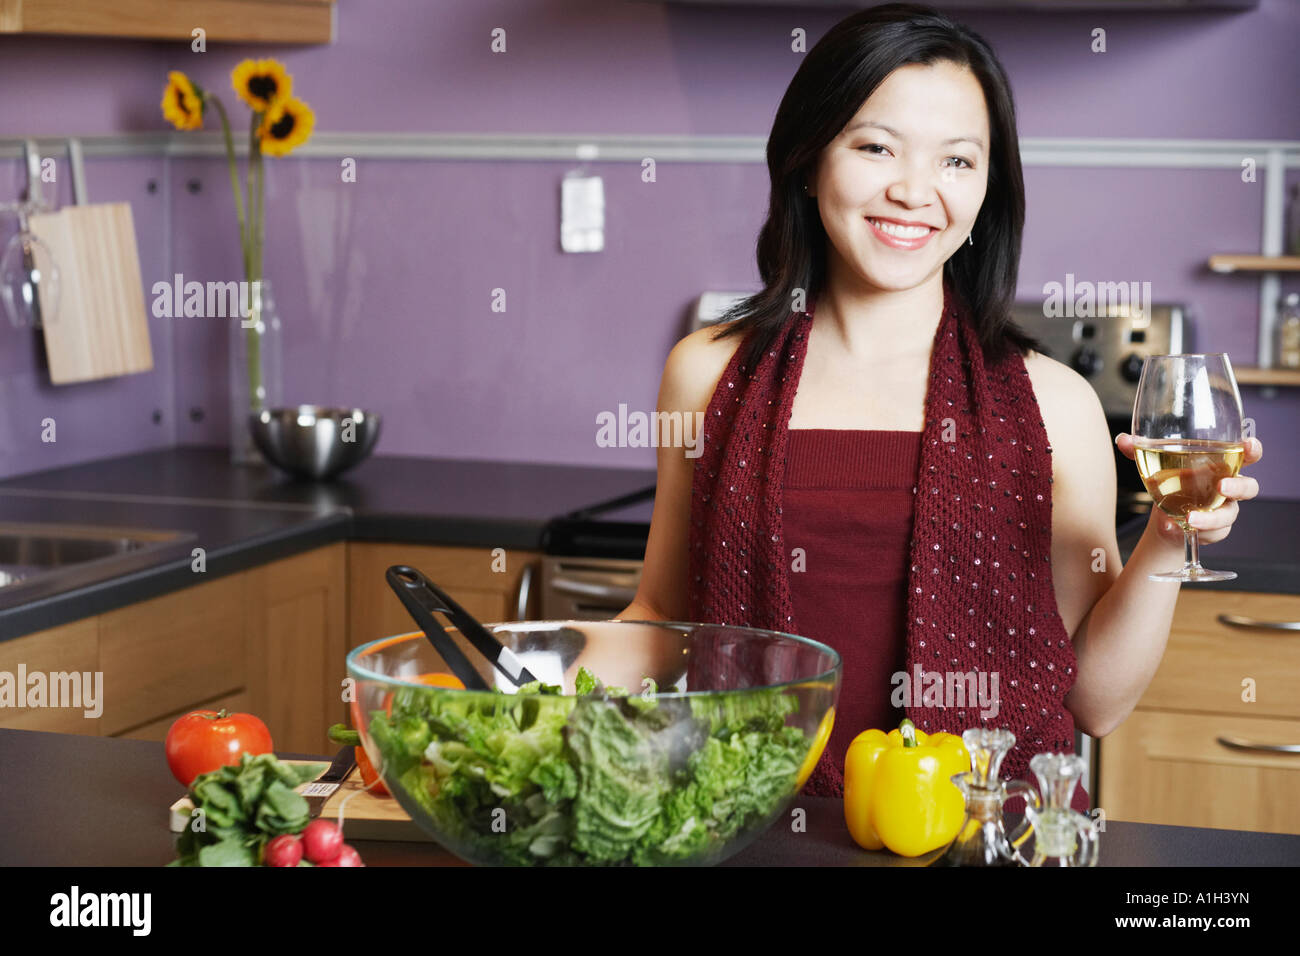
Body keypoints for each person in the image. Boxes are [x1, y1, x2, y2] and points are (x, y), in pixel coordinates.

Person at [615, 3, 1262, 806]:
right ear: (810, 160)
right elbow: (661, 612)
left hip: (981, 833)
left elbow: (1098, 700)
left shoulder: (1052, 405)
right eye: (876, 146)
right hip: (752, 830)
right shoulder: (706, 373)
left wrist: (1168, 540)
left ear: (988, 189)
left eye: (958, 161)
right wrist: (510, 701)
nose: (914, 191)